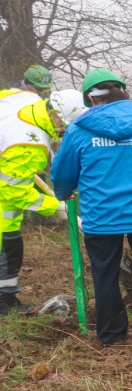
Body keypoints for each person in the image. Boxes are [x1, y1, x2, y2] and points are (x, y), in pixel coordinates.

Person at [50, 70, 132, 345]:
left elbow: (63, 174)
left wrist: (63, 192)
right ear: (122, 93)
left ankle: (111, 334)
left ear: (91, 99)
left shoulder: (77, 131)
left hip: (101, 217)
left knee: (104, 274)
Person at [0, 86, 63, 313]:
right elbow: (14, 191)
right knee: (9, 250)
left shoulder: (27, 99)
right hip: (4, 209)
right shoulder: (28, 144)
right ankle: (5, 302)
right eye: (64, 126)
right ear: (54, 114)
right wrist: (54, 206)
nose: (63, 131)